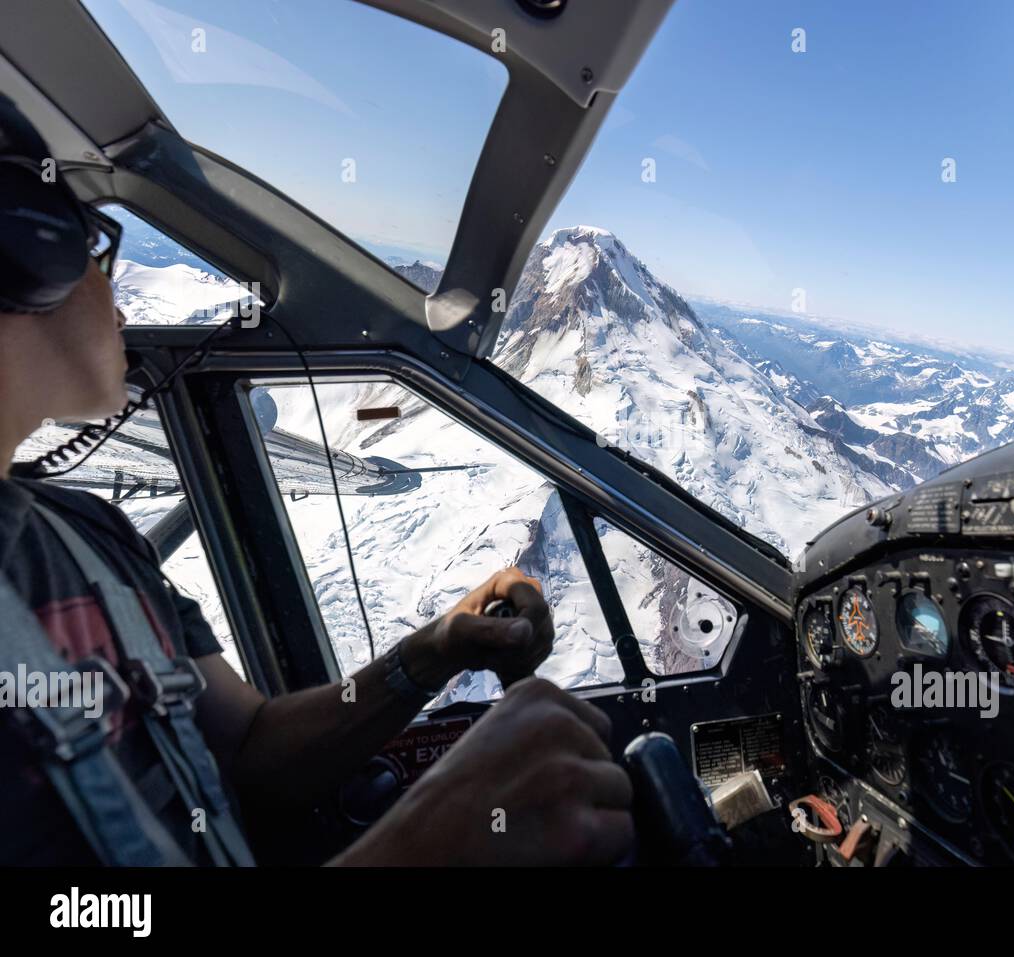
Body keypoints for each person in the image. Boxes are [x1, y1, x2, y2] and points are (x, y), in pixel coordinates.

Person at [0, 95, 634, 866]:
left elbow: (247, 750)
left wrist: (433, 650)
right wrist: (419, 846)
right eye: (93, 244)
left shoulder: (89, 536)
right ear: (31, 258)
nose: (112, 286)